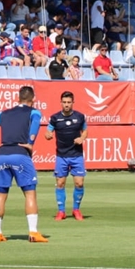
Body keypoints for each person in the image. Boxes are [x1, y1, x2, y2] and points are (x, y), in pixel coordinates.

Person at [0, 86, 48, 243]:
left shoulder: (4, 114)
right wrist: (30, 142)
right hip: (20, 154)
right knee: (30, 193)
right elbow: (36, 124)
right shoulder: (34, 112)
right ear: (33, 99)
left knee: (0, 195)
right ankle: (33, 232)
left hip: (3, 156)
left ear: (18, 99)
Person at [44, 91, 88, 222]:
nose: (66, 105)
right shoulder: (55, 118)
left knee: (79, 183)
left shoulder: (80, 117)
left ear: (73, 103)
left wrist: (82, 138)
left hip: (76, 155)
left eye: (69, 102)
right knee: (60, 183)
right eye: (64, 102)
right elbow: (48, 131)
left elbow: (85, 131)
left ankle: (76, 209)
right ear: (61, 103)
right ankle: (61, 211)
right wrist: (48, 135)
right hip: (61, 156)